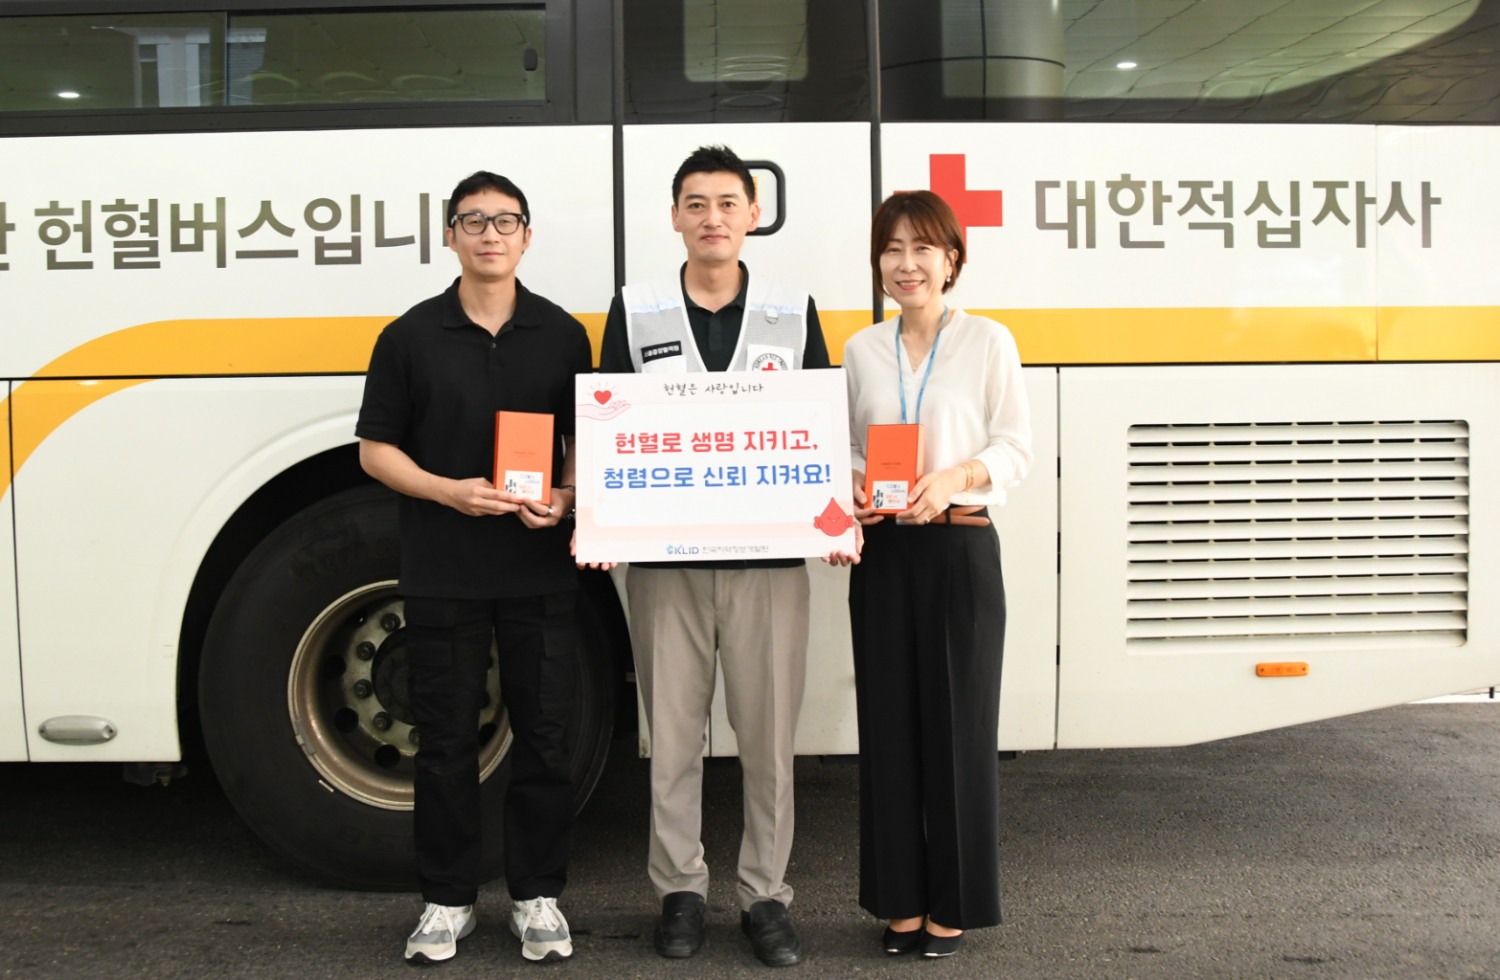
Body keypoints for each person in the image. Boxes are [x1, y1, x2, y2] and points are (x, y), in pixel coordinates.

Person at [596, 144, 831, 967]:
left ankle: (765, 896)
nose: (712, 218)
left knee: (768, 743)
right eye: (696, 204)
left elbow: (817, 431)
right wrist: (602, 525)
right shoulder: (636, 307)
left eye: (728, 203)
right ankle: (680, 893)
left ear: (754, 214)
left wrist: (836, 524)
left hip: (771, 570)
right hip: (666, 570)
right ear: (673, 217)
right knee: (674, 736)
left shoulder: (792, 307)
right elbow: (610, 432)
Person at [356, 170, 592, 965]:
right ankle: (447, 899)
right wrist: (445, 492)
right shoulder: (409, 337)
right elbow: (375, 449)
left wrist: (564, 495)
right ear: (448, 235)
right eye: (473, 221)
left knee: (547, 738)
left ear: (528, 237)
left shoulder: (563, 334)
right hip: (443, 567)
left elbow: (580, 447)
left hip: (539, 570)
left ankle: (537, 895)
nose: (490, 234)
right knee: (448, 741)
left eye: (505, 221)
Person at [840, 190, 1032, 959]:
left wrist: (952, 479)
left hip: (960, 551)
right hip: (884, 555)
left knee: (959, 731)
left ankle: (953, 902)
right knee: (887, 731)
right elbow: (854, 449)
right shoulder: (861, 350)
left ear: (952, 259)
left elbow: (1016, 447)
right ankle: (900, 901)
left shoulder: (987, 342)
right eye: (892, 249)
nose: (907, 263)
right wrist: (854, 484)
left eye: (923, 248)